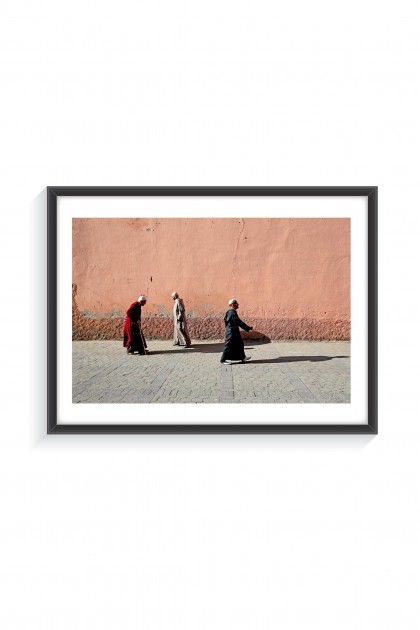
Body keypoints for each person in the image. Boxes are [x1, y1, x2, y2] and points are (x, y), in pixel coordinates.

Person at [220, 299, 253, 364]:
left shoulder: (231, 312)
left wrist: (247, 328)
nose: (238, 304)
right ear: (232, 305)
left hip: (233, 331)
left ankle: (242, 358)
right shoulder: (232, 312)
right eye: (236, 303)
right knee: (228, 345)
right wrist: (247, 328)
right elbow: (238, 322)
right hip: (231, 332)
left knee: (240, 344)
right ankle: (223, 360)